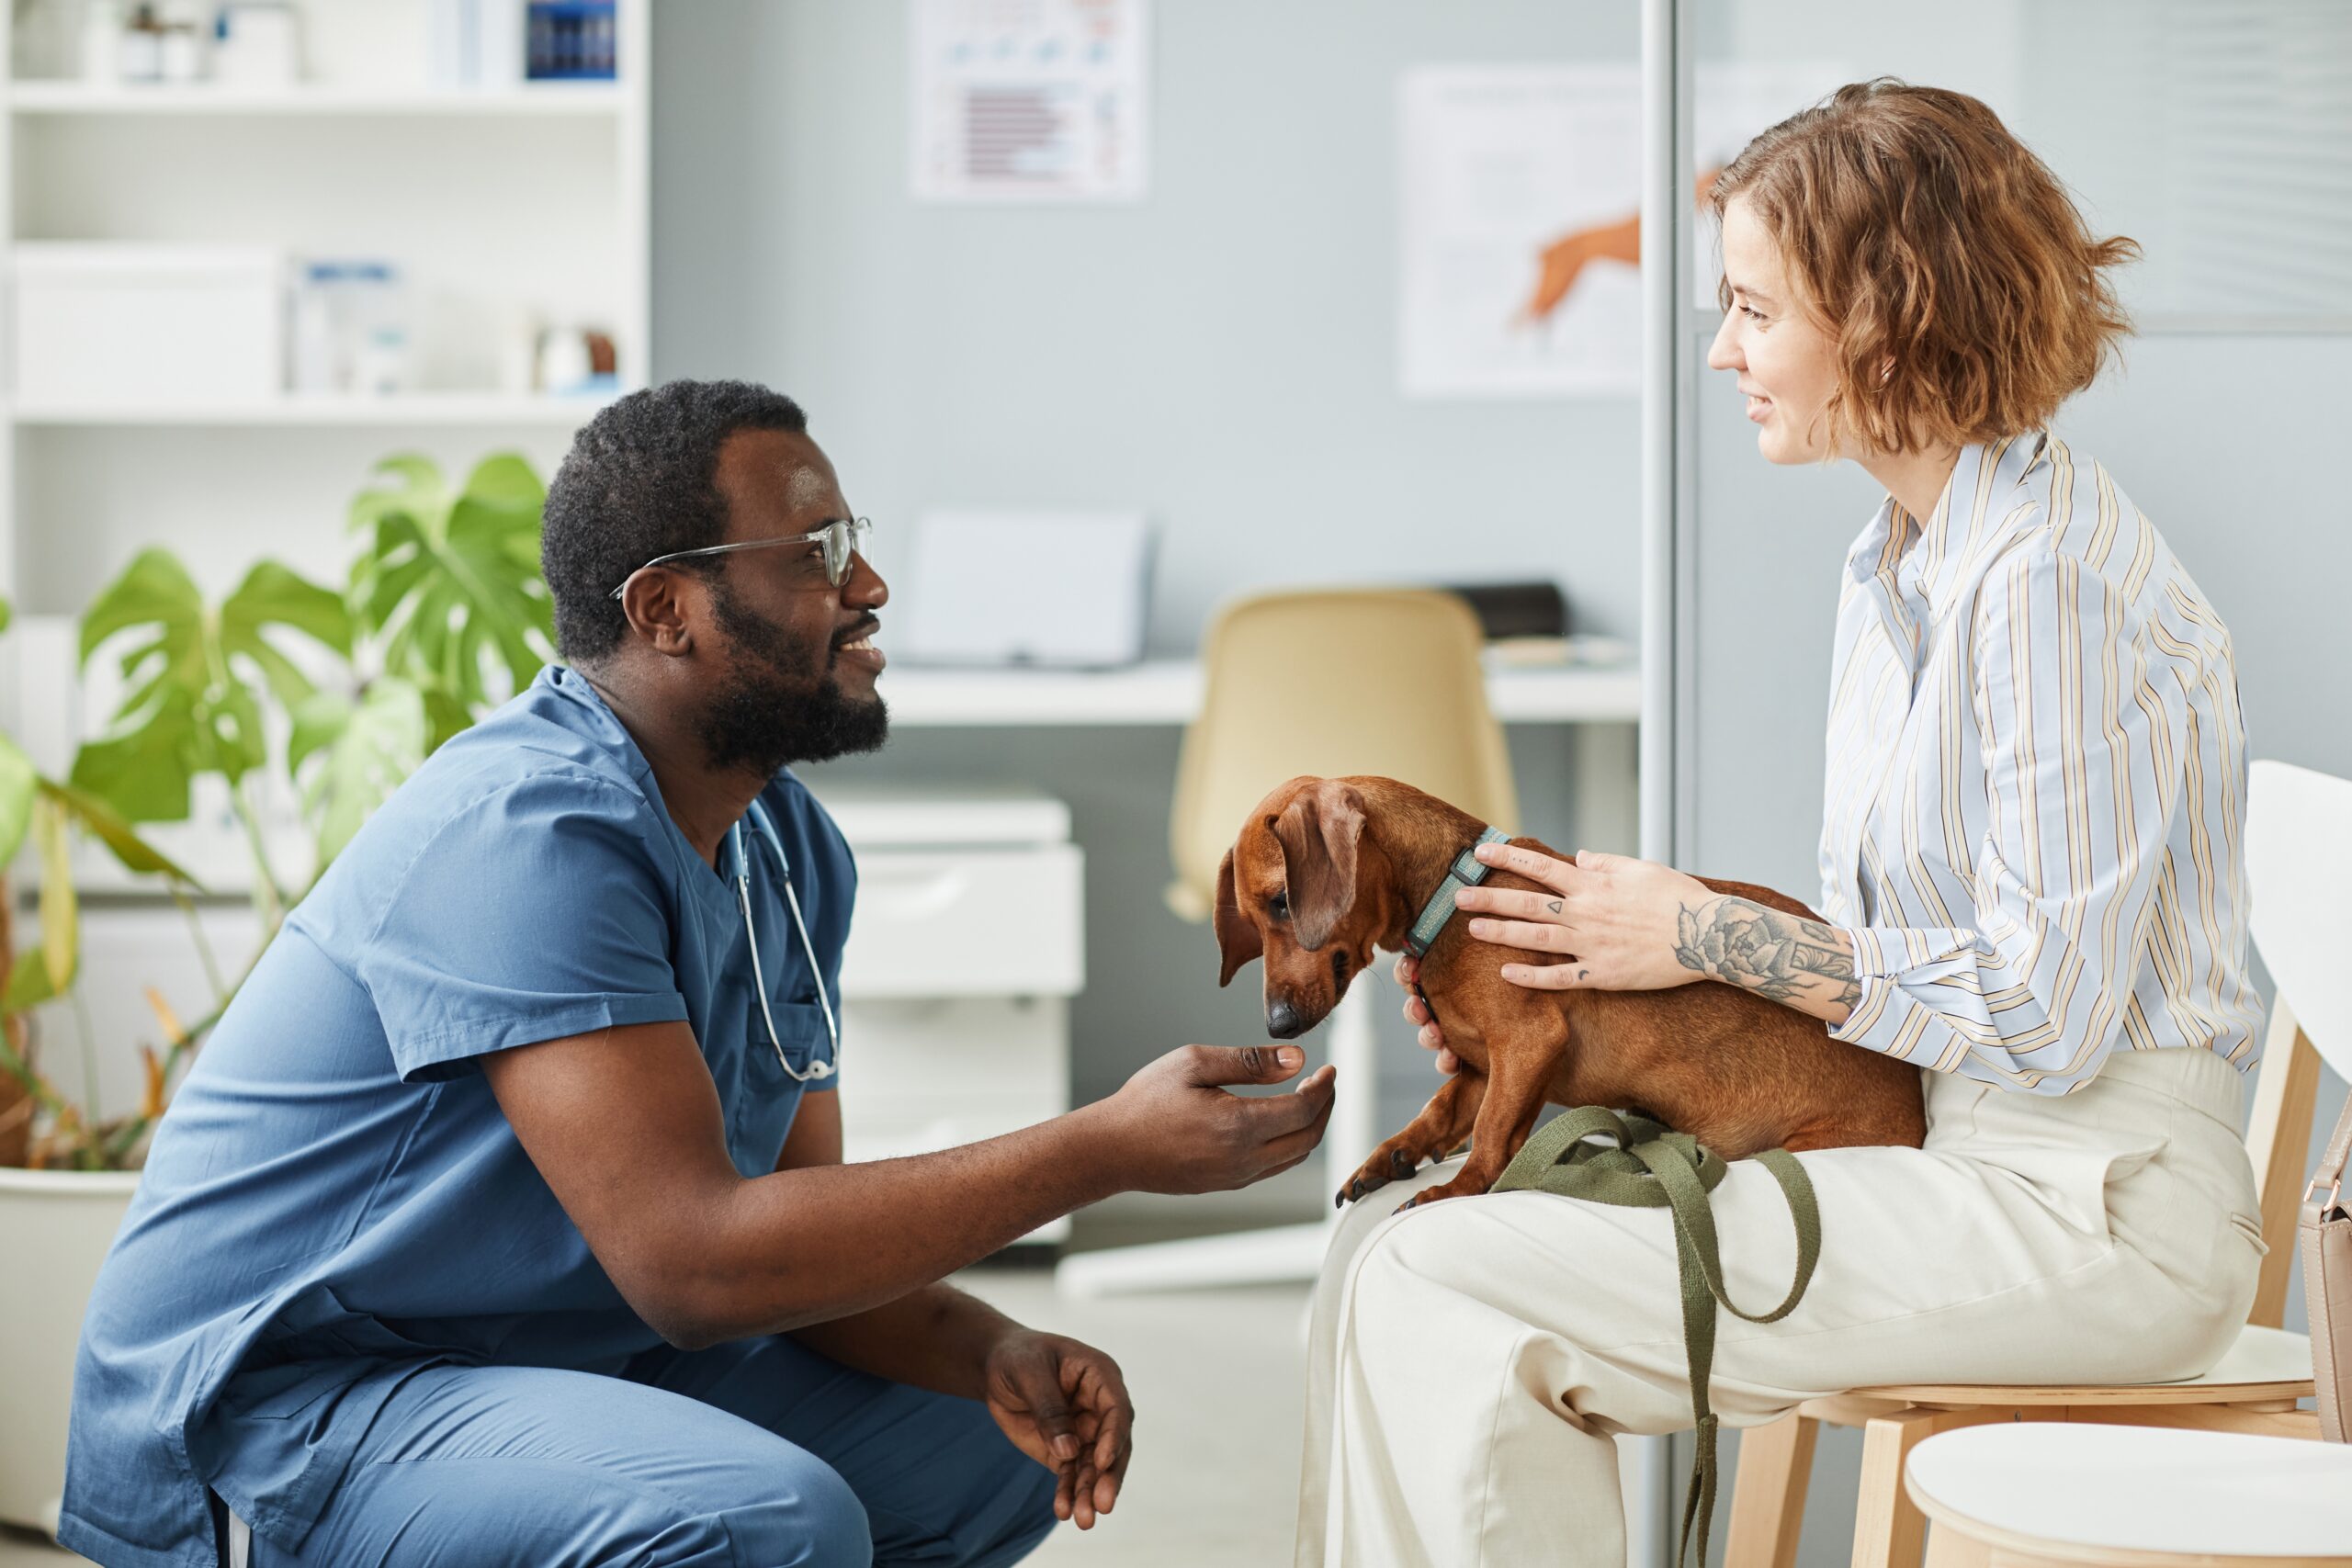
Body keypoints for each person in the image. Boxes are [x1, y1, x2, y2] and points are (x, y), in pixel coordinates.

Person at [62, 379, 1338, 1568]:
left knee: (988, 1448)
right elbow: (698, 1264)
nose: (874, 584)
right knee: (764, 1523)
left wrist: (989, 1342)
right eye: (821, 555)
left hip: (561, 1361)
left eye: (858, 542)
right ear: (665, 610)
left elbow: (799, 1247)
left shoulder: (785, 848)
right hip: (295, 1407)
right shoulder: (527, 835)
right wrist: (1104, 1148)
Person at [1295, 80, 2267, 1566]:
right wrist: (1580, 1009)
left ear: (1883, 317)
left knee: (1451, 1283)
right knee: (1382, 1242)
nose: (1723, 351)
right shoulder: (1903, 568)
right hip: (1954, 1152)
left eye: (1755, 309)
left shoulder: (2048, 589)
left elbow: (2051, 1018)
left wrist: (1696, 931)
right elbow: (1899, 961)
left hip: (2093, 1213)